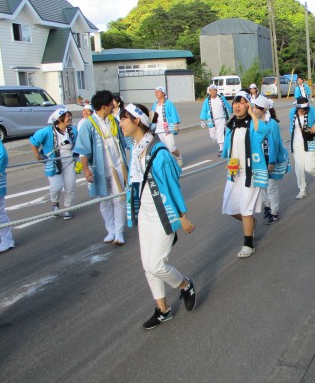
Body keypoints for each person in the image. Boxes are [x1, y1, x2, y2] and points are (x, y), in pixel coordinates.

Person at [120, 103, 196, 330]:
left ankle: (185, 285)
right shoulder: (134, 147)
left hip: (164, 213)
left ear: (136, 121)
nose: (120, 123)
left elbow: (173, 185)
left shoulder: (159, 153)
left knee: (156, 264)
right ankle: (163, 310)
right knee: (147, 265)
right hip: (145, 214)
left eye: (124, 119)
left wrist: (182, 215)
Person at [75, 90, 129, 245]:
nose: (114, 105)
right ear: (104, 106)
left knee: (119, 199)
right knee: (104, 201)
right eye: (111, 103)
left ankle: (119, 232)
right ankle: (110, 230)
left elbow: (124, 141)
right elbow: (83, 150)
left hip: (118, 167)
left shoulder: (114, 121)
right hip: (100, 169)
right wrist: (86, 169)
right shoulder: (88, 125)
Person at [222, 91, 269, 258]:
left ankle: (248, 244)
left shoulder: (253, 124)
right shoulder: (232, 124)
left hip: (251, 173)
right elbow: (227, 146)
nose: (237, 105)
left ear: (248, 105)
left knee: (246, 209)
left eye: (242, 102)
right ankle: (252, 223)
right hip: (234, 173)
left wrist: (252, 114)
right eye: (235, 102)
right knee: (230, 208)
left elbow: (264, 131)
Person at [29, 108, 78, 220]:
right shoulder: (47, 131)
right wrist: (38, 156)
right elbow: (33, 141)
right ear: (59, 119)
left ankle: (67, 208)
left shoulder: (73, 131)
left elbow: (80, 144)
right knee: (56, 187)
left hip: (70, 162)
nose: (69, 118)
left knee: (70, 186)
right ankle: (55, 203)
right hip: (54, 162)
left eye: (70, 116)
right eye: (66, 116)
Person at [253, 97, 290, 225]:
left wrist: (271, 162)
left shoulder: (272, 123)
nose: (254, 109)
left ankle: (274, 212)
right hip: (258, 160)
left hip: (268, 159)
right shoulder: (256, 121)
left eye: (256, 108)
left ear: (263, 109)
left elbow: (274, 144)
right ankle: (268, 205)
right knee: (258, 185)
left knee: (271, 187)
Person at [289, 96, 315, 199]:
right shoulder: (292, 112)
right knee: (299, 167)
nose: (304, 111)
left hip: (310, 142)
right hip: (297, 144)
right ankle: (302, 190)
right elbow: (292, 128)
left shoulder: (312, 110)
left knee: (309, 167)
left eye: (306, 109)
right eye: (302, 110)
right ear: (297, 107)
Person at [151, 86, 183, 166]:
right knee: (160, 148)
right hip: (157, 129)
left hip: (167, 129)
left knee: (171, 147)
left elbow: (173, 114)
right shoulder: (155, 104)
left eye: (158, 92)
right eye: (156, 92)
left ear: (163, 93)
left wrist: (175, 125)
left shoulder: (169, 103)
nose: (156, 93)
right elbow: (152, 116)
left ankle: (178, 157)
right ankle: (166, 163)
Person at [200, 84, 232, 157]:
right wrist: (202, 120)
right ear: (209, 91)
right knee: (212, 135)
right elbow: (204, 111)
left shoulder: (221, 98)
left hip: (221, 119)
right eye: (211, 90)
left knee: (220, 133)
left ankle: (221, 149)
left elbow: (227, 105)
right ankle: (221, 144)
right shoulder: (207, 101)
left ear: (216, 91)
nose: (212, 92)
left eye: (214, 90)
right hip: (211, 120)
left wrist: (231, 111)